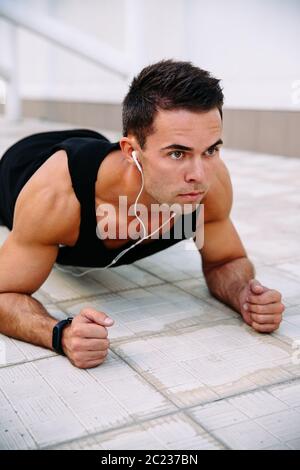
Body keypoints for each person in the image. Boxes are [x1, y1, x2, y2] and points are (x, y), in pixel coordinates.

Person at [0, 59, 284, 369]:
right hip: (21, 166)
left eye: (211, 150)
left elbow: (225, 260)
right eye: (178, 153)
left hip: (98, 145)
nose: (200, 175)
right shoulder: (58, 196)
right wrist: (59, 334)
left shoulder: (209, 183)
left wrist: (244, 294)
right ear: (132, 152)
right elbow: (4, 292)